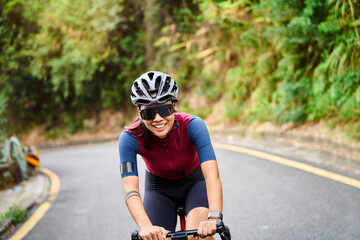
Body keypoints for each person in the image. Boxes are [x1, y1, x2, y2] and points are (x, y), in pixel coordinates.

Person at [119, 71, 223, 240]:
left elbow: (211, 175)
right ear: (139, 113)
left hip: (195, 183)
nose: (158, 119)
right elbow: (130, 189)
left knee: (198, 236)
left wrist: (214, 217)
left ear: (174, 106)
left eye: (164, 109)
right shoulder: (129, 137)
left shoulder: (193, 125)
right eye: (149, 113)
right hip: (159, 189)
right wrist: (145, 226)